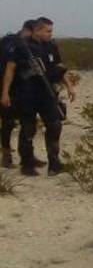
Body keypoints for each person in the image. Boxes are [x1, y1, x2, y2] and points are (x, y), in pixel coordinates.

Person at [1, 17, 75, 176]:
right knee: (28, 128)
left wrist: (69, 86)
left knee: (55, 125)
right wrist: (5, 92)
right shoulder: (22, 46)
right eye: (48, 31)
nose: (50, 34)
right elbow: (10, 69)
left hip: (47, 93)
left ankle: (54, 164)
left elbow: (59, 66)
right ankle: (27, 164)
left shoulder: (51, 46)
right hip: (26, 94)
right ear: (37, 30)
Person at [0, 20, 41, 168]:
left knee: (28, 123)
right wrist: (5, 92)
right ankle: (6, 155)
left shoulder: (29, 44)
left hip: (25, 90)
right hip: (8, 89)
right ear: (30, 30)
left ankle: (27, 156)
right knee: (8, 122)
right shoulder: (10, 42)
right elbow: (8, 69)